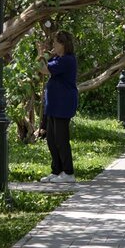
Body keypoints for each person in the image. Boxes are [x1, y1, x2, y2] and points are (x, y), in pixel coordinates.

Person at [36, 29, 79, 185]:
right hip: (53, 105)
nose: (53, 44)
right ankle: (57, 171)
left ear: (63, 45)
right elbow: (47, 67)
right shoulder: (59, 58)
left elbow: (43, 69)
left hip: (63, 104)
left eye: (56, 42)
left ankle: (68, 172)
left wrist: (40, 54)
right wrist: (45, 56)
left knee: (61, 139)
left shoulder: (67, 60)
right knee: (52, 139)